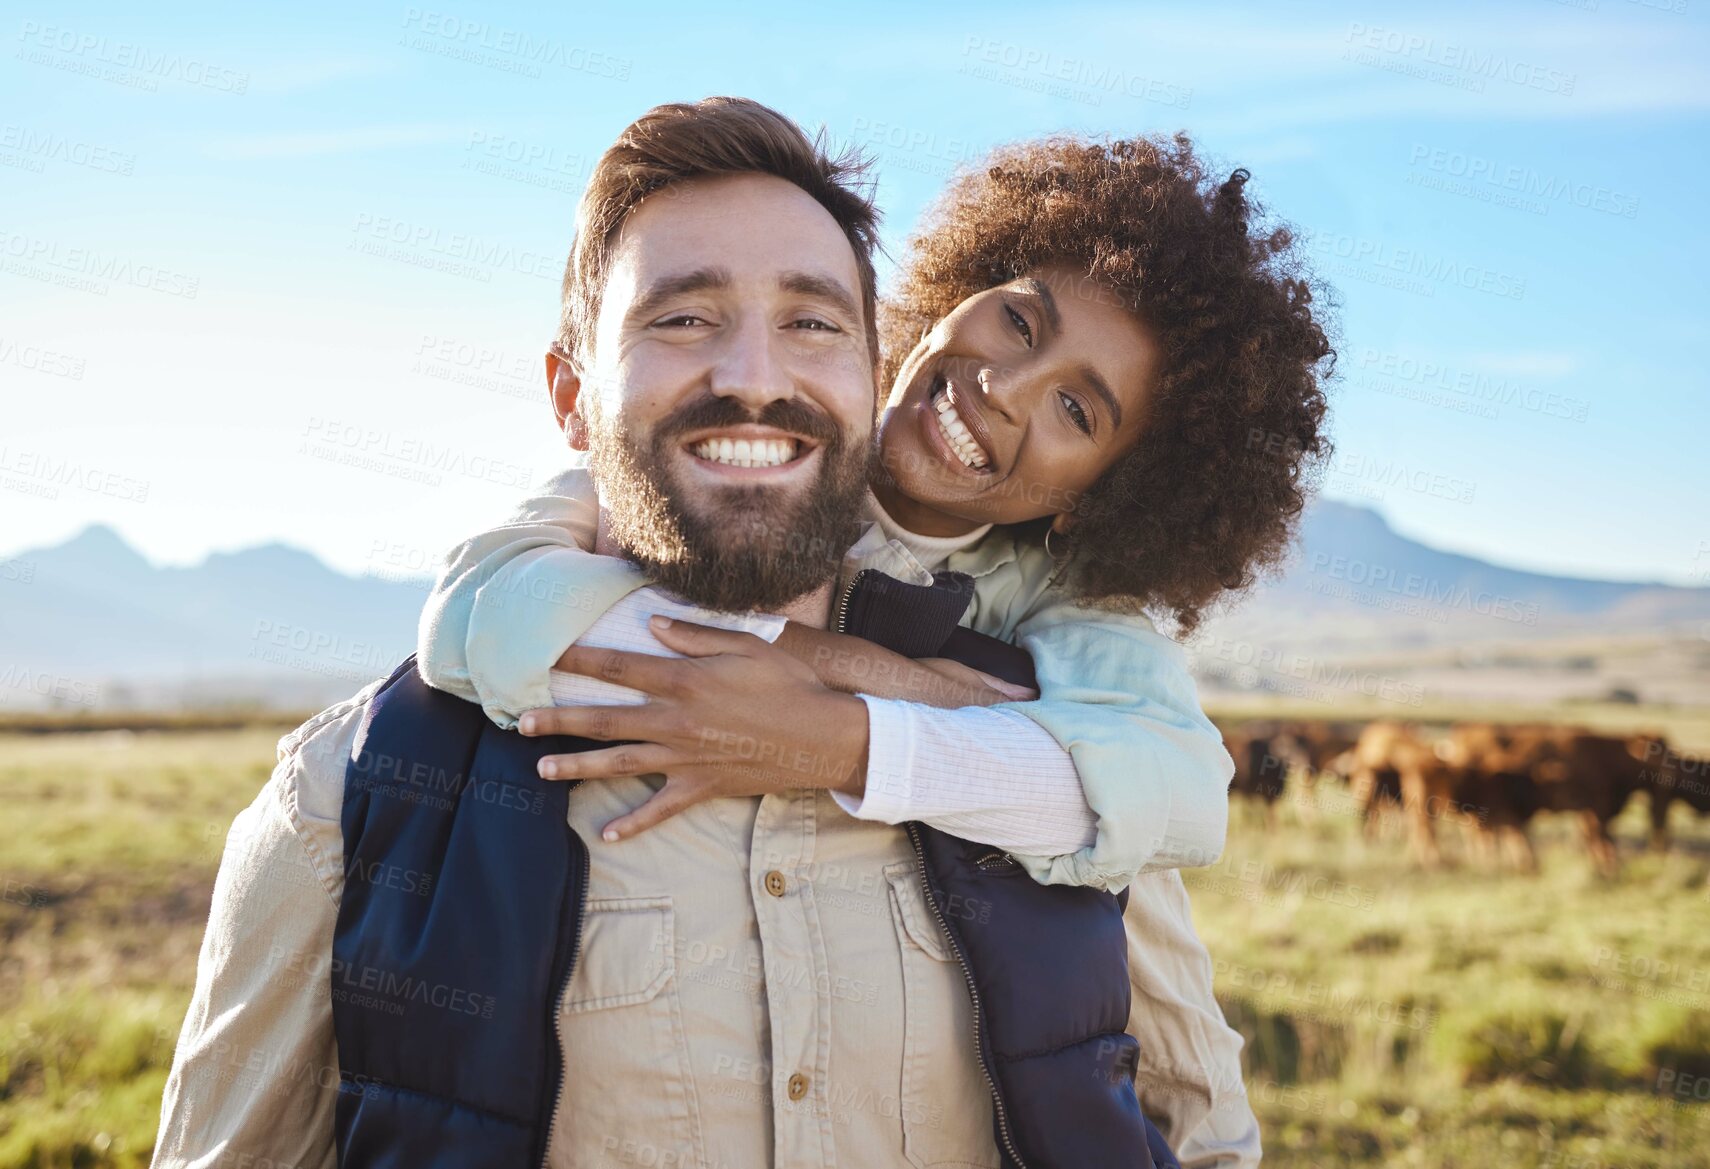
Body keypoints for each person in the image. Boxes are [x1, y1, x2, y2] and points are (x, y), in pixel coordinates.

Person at [150, 97, 1239, 1169]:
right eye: (681, 317)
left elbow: (1202, 1110)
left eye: (812, 322)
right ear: (573, 398)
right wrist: (819, 666)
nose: (755, 376)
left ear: (861, 371)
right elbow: (479, 606)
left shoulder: (1070, 741)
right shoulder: (354, 792)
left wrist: (852, 727)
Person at [415, 129, 1333, 1166]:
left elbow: (1176, 795)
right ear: (951, 287)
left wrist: (849, 722)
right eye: (1018, 320)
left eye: (1077, 409)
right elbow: (478, 614)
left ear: (1100, 498)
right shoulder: (734, 457)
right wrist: (906, 687)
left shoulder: (1069, 606)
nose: (1007, 386)